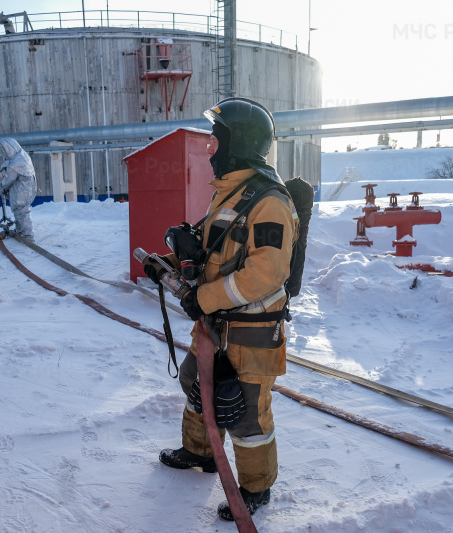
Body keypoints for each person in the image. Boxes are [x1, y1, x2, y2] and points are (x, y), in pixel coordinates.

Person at [145, 98, 298, 521]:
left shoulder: (270, 203)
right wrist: (173, 264)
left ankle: (255, 488)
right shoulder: (231, 193)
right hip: (214, 325)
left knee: (247, 413)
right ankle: (201, 453)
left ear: (239, 143)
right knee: (197, 383)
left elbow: (265, 274)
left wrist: (205, 298)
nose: (210, 149)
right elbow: (215, 254)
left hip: (249, 331)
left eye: (217, 139)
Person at [0, 138, 37, 242]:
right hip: (27, 188)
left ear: (8, 148)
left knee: (22, 212)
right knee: (21, 211)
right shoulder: (22, 155)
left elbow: (8, 179)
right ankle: (22, 232)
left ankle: (28, 236)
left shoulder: (16, 162)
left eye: (4, 151)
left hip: (21, 191)